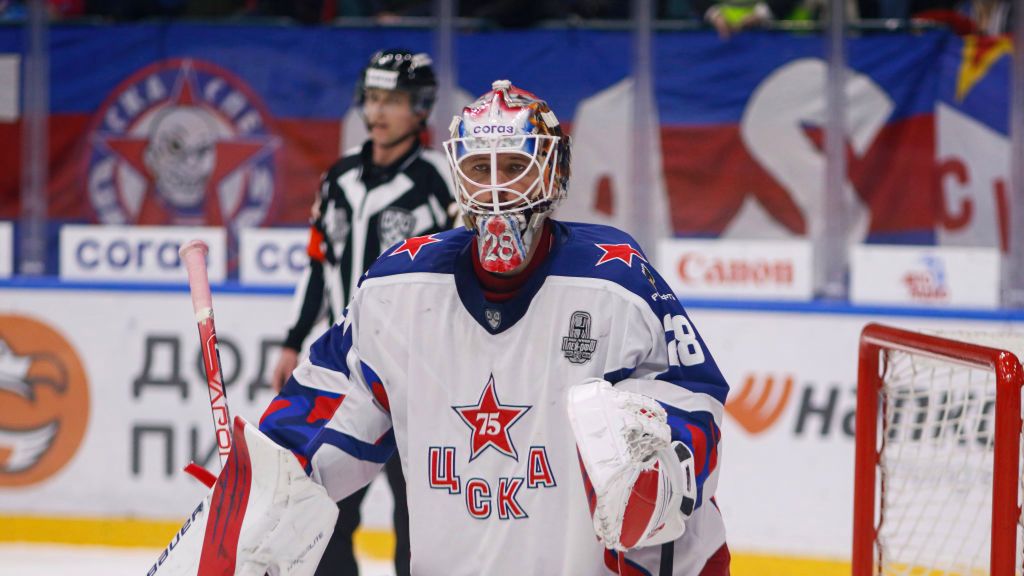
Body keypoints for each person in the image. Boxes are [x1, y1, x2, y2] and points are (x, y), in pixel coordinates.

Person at [156, 80, 729, 576]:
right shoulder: (396, 291)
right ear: (458, 175)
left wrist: (662, 457)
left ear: (553, 173)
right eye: (481, 168)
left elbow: (692, 400)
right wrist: (251, 497)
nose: (498, 189)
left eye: (516, 165)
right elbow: (321, 419)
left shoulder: (617, 281)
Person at [270, 48, 454, 576]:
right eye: (372, 99)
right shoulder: (339, 177)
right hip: (346, 368)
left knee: (416, 512)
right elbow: (316, 264)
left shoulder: (440, 181)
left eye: (392, 100)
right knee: (323, 507)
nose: (378, 112)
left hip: (419, 372)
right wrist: (292, 339)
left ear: (420, 108)